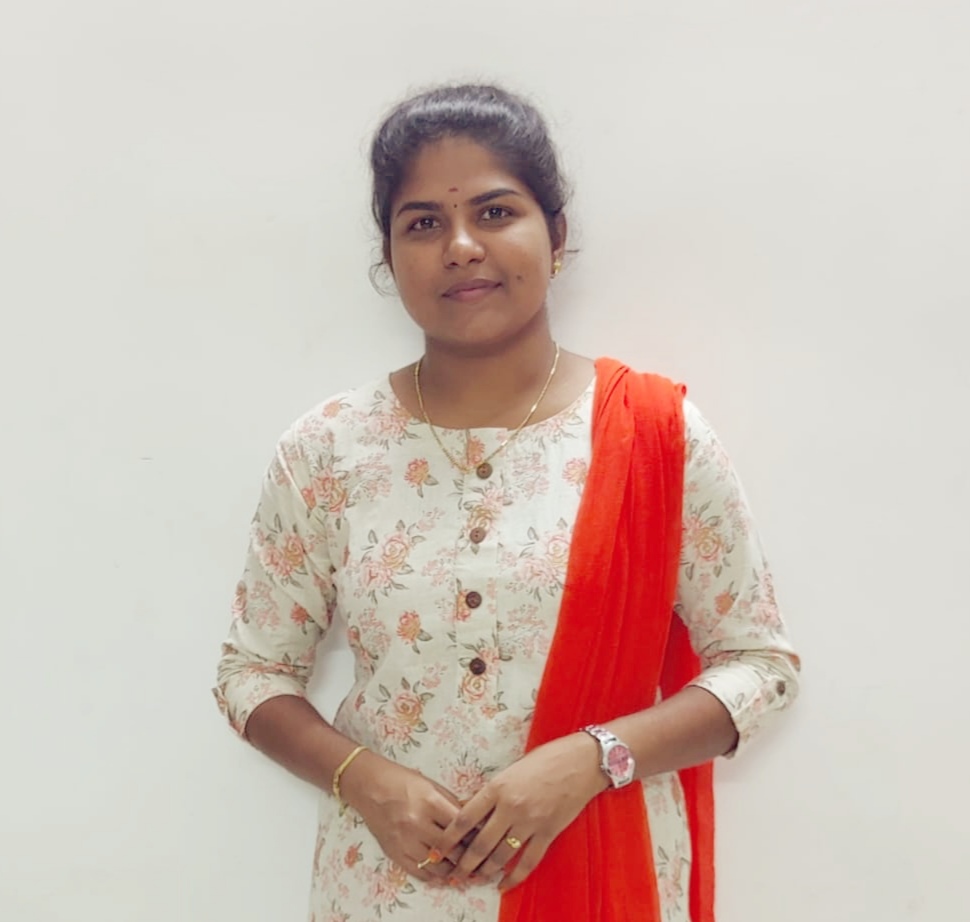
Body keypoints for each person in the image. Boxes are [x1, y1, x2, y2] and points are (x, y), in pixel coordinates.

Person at [214, 83, 800, 922]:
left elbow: (761, 667)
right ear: (389, 256)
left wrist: (593, 758)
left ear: (555, 236)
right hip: (388, 893)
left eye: (495, 212)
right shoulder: (329, 449)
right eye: (423, 223)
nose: (461, 247)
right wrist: (363, 779)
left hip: (601, 871)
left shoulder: (654, 435)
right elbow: (251, 673)